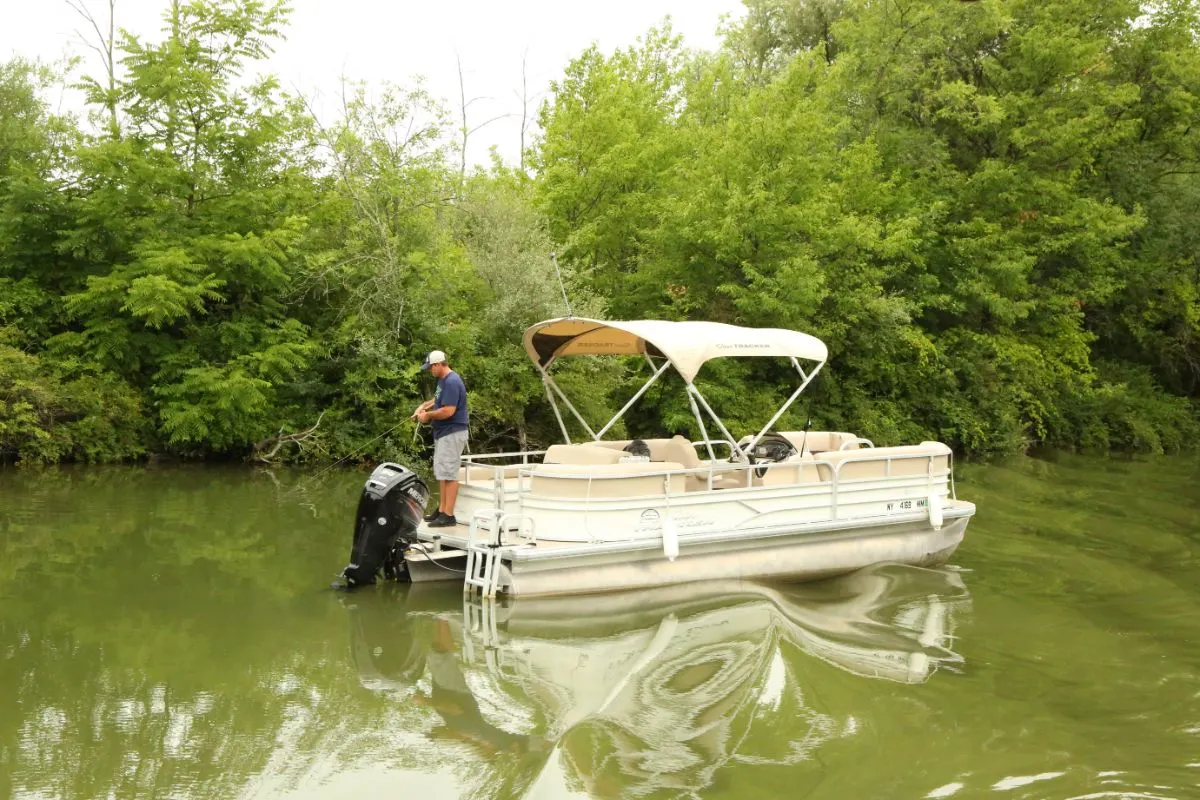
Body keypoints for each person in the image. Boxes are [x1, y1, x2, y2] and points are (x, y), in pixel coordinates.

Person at [412, 349, 469, 527]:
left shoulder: (452, 381)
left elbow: (448, 410)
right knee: (443, 473)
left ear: (438, 364)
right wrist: (423, 406)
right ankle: (442, 510)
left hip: (453, 432)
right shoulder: (442, 381)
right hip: (444, 433)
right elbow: (437, 400)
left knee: (449, 474)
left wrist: (427, 416)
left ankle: (448, 515)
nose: (430, 371)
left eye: (431, 368)